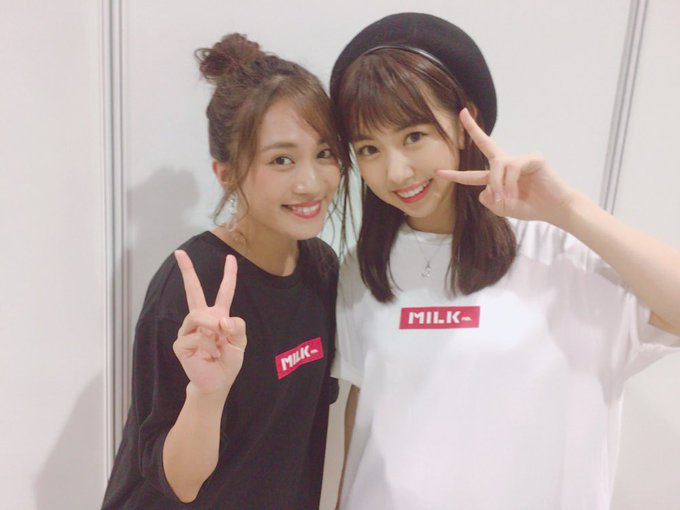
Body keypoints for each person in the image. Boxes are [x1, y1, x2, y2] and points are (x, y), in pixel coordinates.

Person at [329, 12, 680, 509]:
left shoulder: (560, 258)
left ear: (465, 123)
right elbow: (365, 422)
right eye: (369, 148)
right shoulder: (364, 271)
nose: (396, 171)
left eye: (413, 136)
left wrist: (569, 210)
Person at [101, 33, 347, 509]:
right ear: (227, 173)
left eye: (324, 153)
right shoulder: (191, 286)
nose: (311, 181)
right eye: (281, 159)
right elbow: (180, 483)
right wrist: (207, 394)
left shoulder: (322, 268)